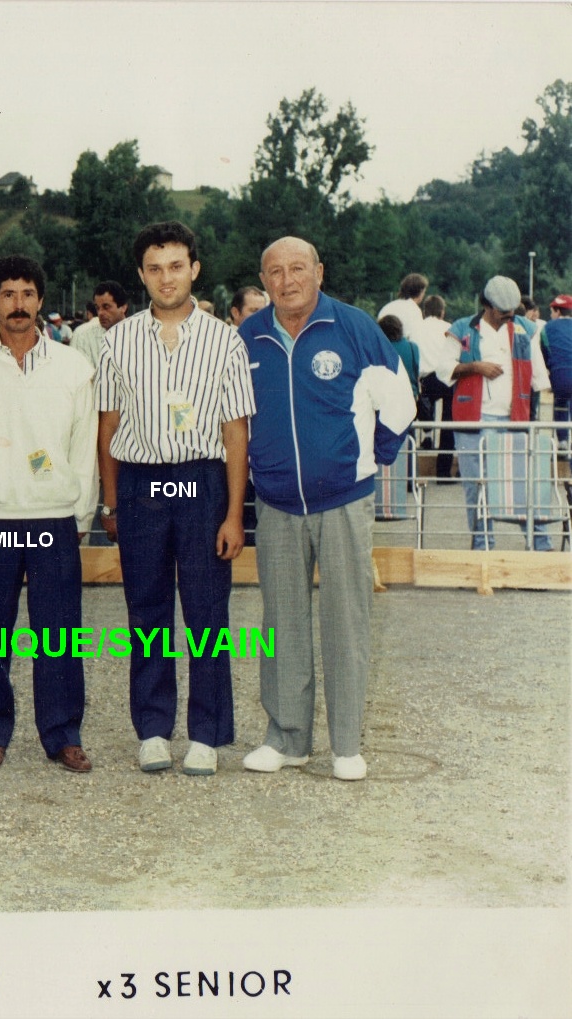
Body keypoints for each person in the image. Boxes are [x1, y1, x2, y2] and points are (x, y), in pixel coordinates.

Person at [239, 236, 414, 781]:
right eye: (275, 272)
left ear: (319, 271)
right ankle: (287, 738)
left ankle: (346, 746)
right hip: (276, 506)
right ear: (263, 281)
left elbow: (400, 402)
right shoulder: (247, 337)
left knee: (346, 622)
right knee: (282, 623)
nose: (287, 280)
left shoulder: (354, 327)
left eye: (298, 268)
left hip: (343, 502)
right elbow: (233, 419)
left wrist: (369, 459)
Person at [96, 221, 254, 777]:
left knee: (207, 611)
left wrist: (233, 514)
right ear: (142, 275)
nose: (167, 278)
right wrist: (111, 504)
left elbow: (236, 431)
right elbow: (108, 425)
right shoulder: (117, 341)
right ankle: (153, 729)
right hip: (141, 484)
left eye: (177, 266)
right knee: (147, 611)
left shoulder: (225, 341)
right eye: (155, 268)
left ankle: (206, 734)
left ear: (194, 269)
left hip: (201, 483)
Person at [0, 255, 97, 773]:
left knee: (59, 636)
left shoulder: (74, 367)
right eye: (8, 295)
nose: (19, 304)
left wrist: (80, 517)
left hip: (54, 518)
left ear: (41, 301)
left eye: (28, 294)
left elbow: (84, 448)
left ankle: (63, 734)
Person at [442, 276, 554, 551]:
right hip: (472, 420)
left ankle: (540, 543)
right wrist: (476, 367)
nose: (509, 316)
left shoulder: (525, 329)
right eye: (503, 312)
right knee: (476, 487)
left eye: (512, 311)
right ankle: (483, 546)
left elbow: (539, 375)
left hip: (515, 419)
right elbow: (443, 369)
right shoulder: (462, 328)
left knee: (523, 483)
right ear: (486, 305)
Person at [414, 294, 459, 477]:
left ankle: (426, 434)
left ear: (424, 311)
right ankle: (443, 472)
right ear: (442, 312)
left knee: (418, 412)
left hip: (424, 379)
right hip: (446, 378)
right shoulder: (449, 328)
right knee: (448, 422)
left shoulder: (416, 328)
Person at [69, 282, 128, 370]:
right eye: (97, 308)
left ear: (123, 307)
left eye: (106, 307)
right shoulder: (83, 336)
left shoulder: (139, 335)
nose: (100, 313)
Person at [546, 294, 572, 454]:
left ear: (557, 311)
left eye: (551, 312)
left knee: (560, 404)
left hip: (560, 375)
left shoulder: (548, 327)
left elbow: (544, 351)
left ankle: (562, 441)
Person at [376, 272, 429, 341]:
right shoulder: (414, 310)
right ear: (421, 292)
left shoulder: (387, 306)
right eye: (424, 292)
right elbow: (416, 339)